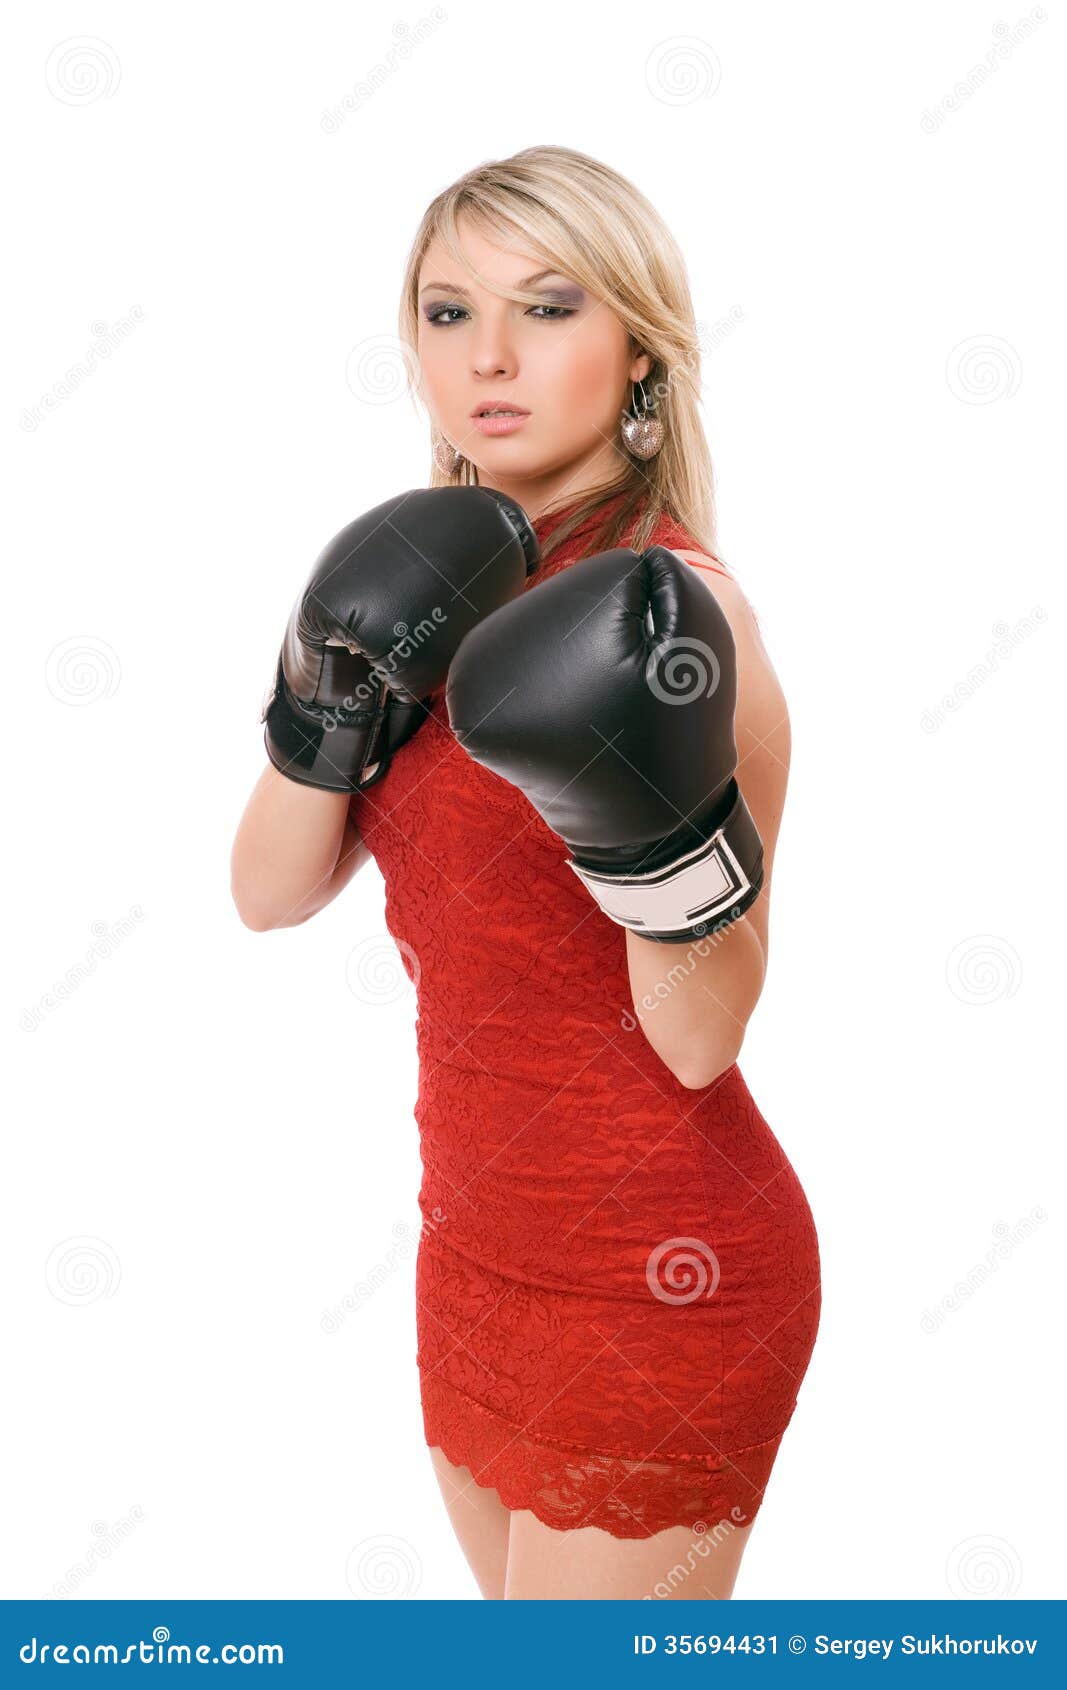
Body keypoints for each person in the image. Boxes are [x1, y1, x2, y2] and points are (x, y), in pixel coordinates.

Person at [231, 144, 821, 1602]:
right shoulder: (417, 585)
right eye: (448, 313)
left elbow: (701, 1036)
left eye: (549, 308)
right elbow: (267, 892)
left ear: (640, 350)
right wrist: (327, 694)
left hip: (657, 1260)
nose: (488, 356)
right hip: (475, 1246)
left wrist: (643, 818)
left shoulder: (685, 618)